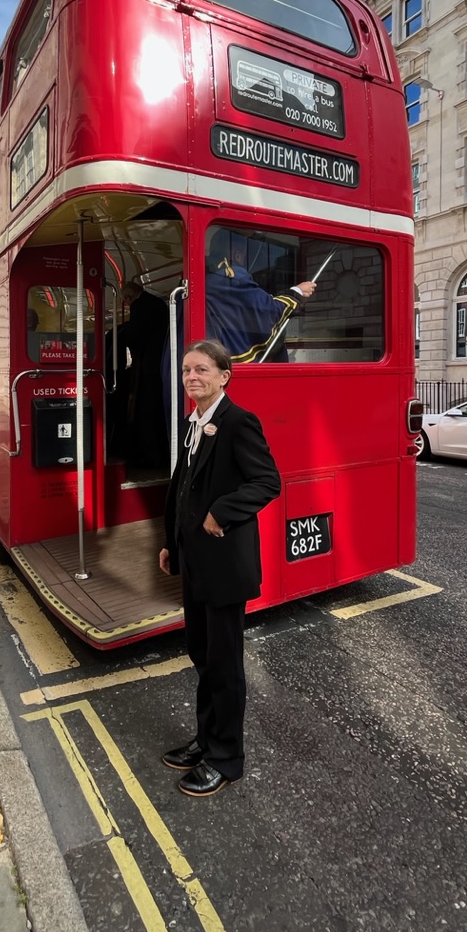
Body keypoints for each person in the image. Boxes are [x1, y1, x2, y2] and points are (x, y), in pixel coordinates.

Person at [158, 339, 280, 798]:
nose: (192, 376)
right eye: (188, 370)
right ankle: (206, 741)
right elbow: (182, 487)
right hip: (194, 562)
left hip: (225, 567)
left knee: (225, 666)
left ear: (224, 376)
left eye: (202, 370)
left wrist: (221, 511)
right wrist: (171, 542)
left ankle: (226, 759)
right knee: (202, 655)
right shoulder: (195, 423)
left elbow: (268, 481)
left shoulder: (237, 422)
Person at [205, 229, 316, 362]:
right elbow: (267, 310)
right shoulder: (231, 278)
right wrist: (297, 293)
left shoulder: (204, 278)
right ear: (238, 255)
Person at [118, 280, 169, 467]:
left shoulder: (140, 306)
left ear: (129, 297)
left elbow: (134, 336)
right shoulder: (158, 302)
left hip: (147, 364)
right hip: (163, 361)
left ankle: (151, 456)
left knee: (146, 409)